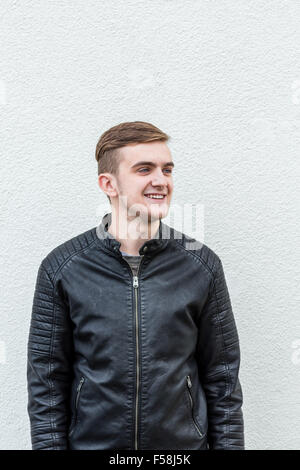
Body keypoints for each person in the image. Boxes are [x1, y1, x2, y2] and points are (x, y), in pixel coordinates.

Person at [27, 121, 245, 450]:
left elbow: (223, 380)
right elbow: (46, 384)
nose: (161, 181)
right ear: (108, 183)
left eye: (167, 170)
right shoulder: (63, 268)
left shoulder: (201, 266)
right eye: (145, 169)